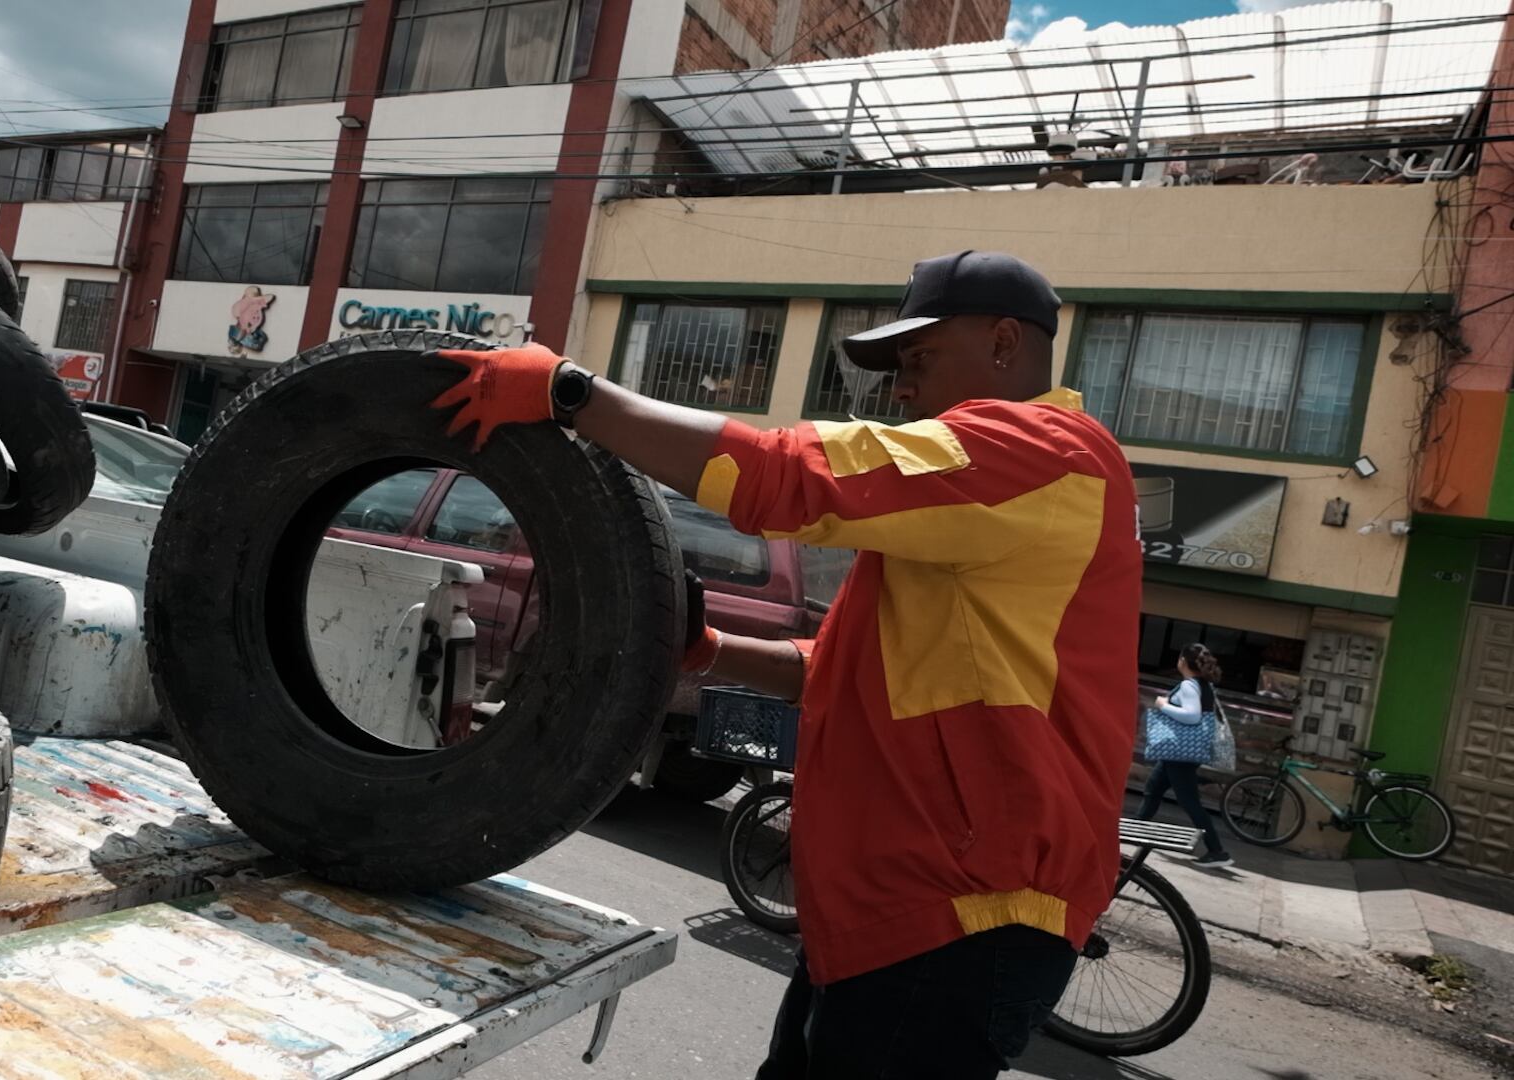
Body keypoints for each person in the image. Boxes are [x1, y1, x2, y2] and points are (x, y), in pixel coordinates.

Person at [428, 250, 1141, 1078]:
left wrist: (575, 396)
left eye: (918, 359)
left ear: (1005, 343)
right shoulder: (980, 506)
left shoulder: (1041, 453)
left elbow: (787, 474)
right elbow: (836, 669)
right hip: (895, 901)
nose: (901, 390)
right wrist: (710, 651)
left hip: (962, 910)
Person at [1139, 642, 1233, 866]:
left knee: (1190, 802)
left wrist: (1163, 704)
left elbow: (1192, 716)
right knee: (1153, 789)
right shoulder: (1204, 685)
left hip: (1180, 753)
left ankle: (1217, 851)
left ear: (1183, 661)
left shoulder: (1189, 686)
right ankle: (1135, 827)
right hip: (1179, 753)